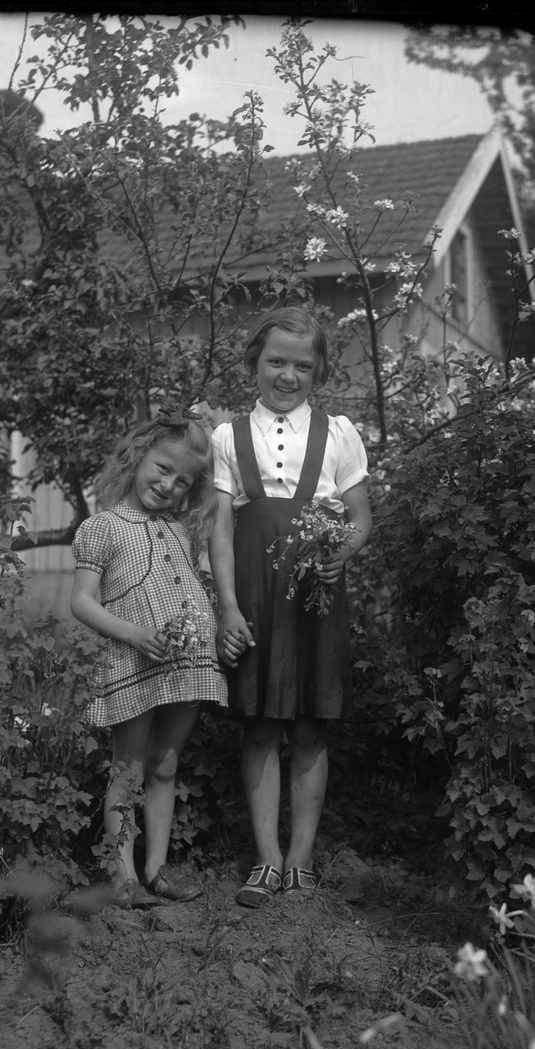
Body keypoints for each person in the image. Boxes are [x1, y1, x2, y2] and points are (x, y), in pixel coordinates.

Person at [209, 307, 372, 907]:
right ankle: (267, 860)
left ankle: (301, 859)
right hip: (254, 592)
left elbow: (361, 518)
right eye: (276, 361)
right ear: (255, 362)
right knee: (259, 726)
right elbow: (220, 529)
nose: (288, 375)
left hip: (313, 595)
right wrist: (228, 607)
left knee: (308, 725)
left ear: (319, 370)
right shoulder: (228, 438)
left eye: (302, 366)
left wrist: (341, 555)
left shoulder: (339, 433)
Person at [71, 407, 227, 908]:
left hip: (186, 662)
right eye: (162, 469)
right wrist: (134, 634)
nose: (168, 486)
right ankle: (122, 879)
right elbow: (81, 602)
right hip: (133, 661)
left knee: (165, 764)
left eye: (183, 482)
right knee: (129, 768)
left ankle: (157, 872)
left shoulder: (182, 529)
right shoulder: (103, 526)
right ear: (137, 458)